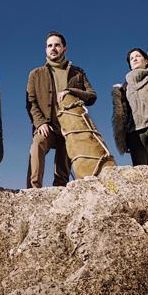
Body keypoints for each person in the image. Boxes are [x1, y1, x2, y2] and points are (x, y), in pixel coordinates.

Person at [26, 31, 97, 188]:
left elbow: (91, 96)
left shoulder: (77, 73)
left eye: (57, 45)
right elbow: (31, 103)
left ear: (64, 48)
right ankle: (34, 189)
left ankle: (60, 189)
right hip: (46, 126)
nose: (53, 48)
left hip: (70, 128)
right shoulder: (35, 74)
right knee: (38, 143)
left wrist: (71, 91)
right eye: (49, 45)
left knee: (64, 162)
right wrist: (40, 123)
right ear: (45, 49)